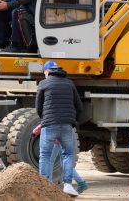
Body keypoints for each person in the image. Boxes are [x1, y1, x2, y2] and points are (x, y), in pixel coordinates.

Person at [36, 61, 83, 197]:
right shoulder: (69, 83)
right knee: (68, 154)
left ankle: (44, 186)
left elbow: (38, 107)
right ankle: (67, 185)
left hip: (49, 124)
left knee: (45, 154)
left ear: (47, 71)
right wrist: (73, 122)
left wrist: (45, 119)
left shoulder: (43, 84)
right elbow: (79, 107)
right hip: (67, 125)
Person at [32, 124, 89, 194]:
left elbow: (45, 122)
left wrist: (35, 131)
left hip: (55, 140)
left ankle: (48, 185)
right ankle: (81, 183)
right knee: (63, 162)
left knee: (50, 161)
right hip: (62, 138)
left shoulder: (52, 115)